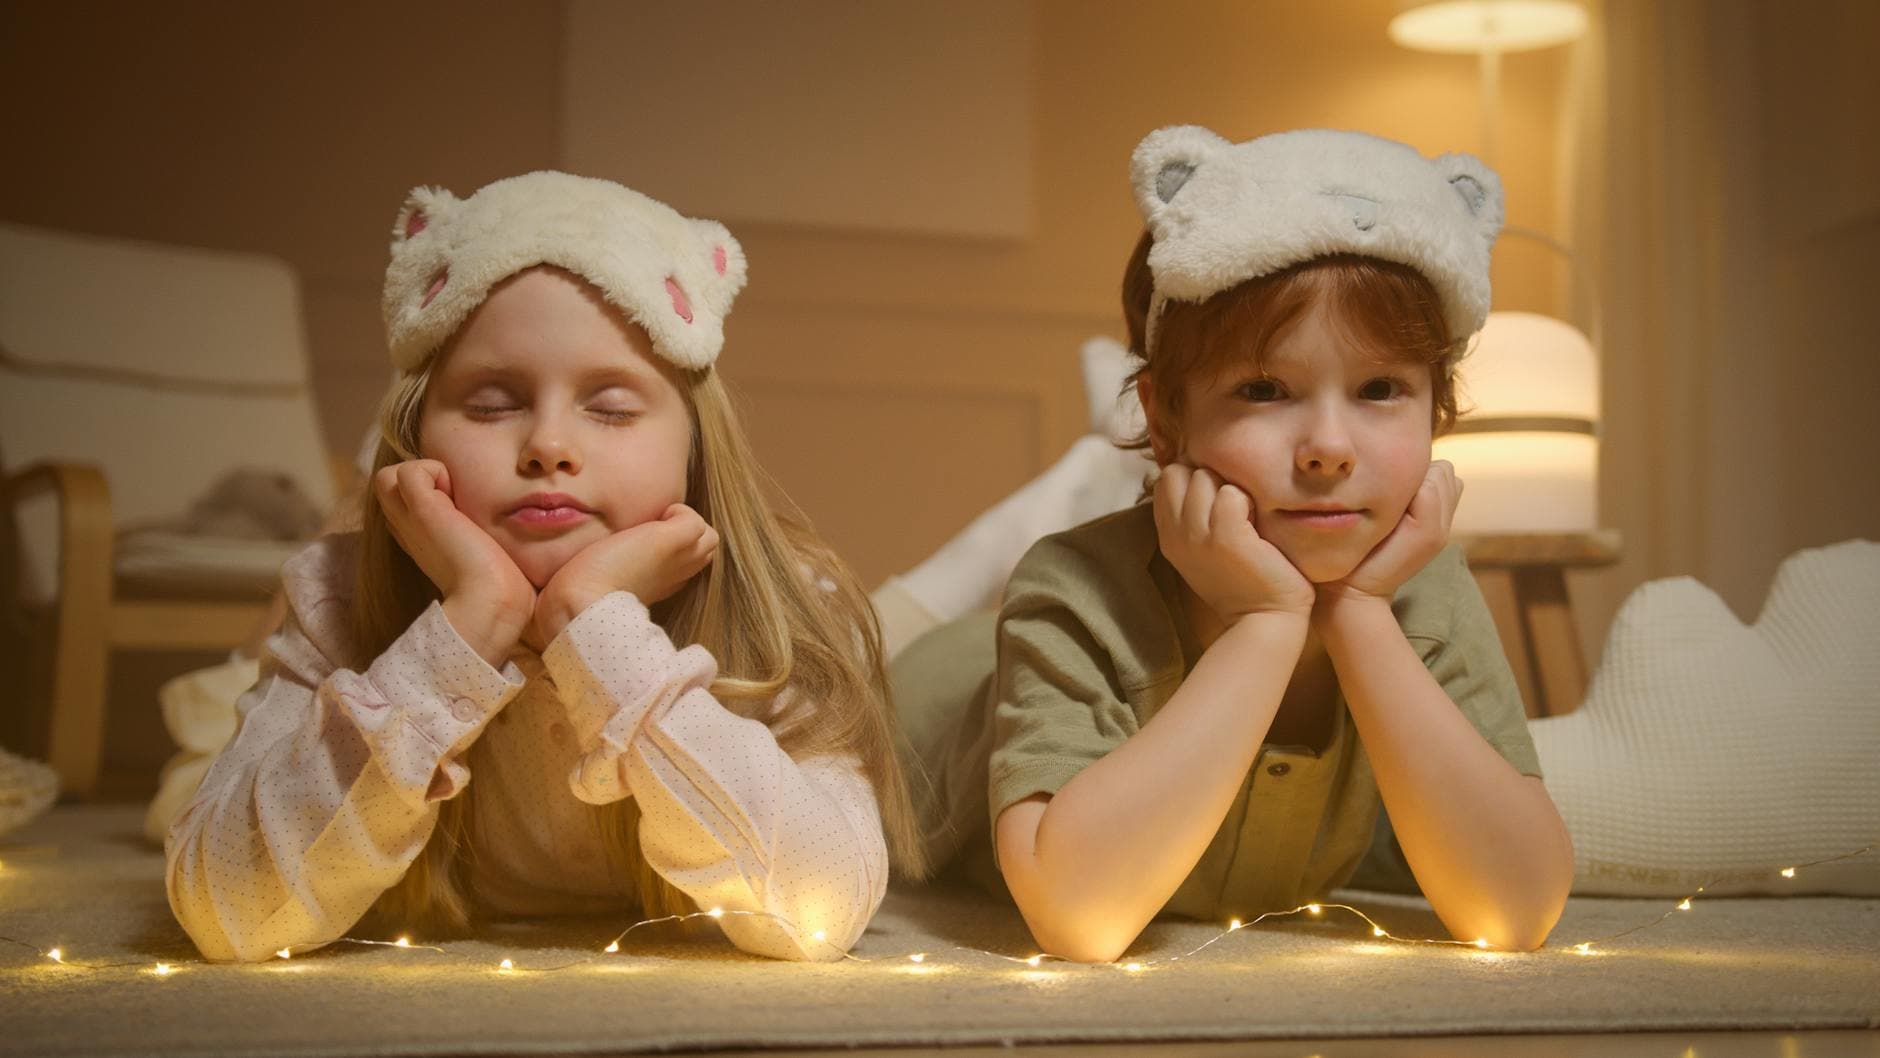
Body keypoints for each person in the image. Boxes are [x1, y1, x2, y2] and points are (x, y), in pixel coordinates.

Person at [165, 172, 923, 963]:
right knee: (185, 782)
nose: (548, 445)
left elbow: (822, 910)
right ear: (422, 435)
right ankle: (369, 488)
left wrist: (592, 622)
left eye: (612, 408)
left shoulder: (785, 606)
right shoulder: (335, 597)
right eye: (493, 405)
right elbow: (230, 914)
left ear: (695, 452)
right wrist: (471, 621)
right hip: (380, 610)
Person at [893, 126, 1574, 963]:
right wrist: (1267, 623)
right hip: (918, 703)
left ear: (1438, 409)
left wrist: (1358, 612)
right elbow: (1080, 917)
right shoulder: (1070, 588)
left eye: (1381, 389)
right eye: (1264, 389)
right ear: (1164, 416)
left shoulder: (1424, 591)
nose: (1329, 446)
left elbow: (1515, 912)